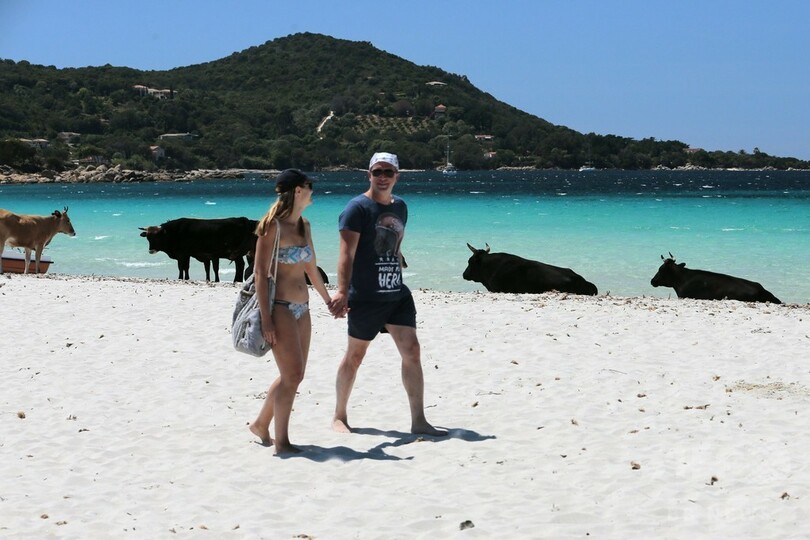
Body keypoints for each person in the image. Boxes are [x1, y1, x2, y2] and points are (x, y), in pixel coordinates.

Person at [329, 152, 447, 437]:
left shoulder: (401, 207)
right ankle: (339, 416)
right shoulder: (356, 209)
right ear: (368, 175)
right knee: (355, 356)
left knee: (412, 351)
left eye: (388, 172)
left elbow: (396, 243)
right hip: (366, 296)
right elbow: (346, 254)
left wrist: (398, 260)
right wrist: (342, 291)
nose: (383, 177)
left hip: (396, 294)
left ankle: (419, 420)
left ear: (397, 176)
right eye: (377, 172)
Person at [249, 168, 332, 455]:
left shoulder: (304, 225)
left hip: (303, 307)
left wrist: (328, 300)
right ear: (298, 190)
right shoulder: (271, 226)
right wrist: (266, 319)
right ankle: (281, 441)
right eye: (309, 186)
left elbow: (311, 268)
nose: (312, 191)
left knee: (294, 375)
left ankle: (260, 424)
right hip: (280, 307)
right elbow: (260, 274)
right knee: (292, 374)